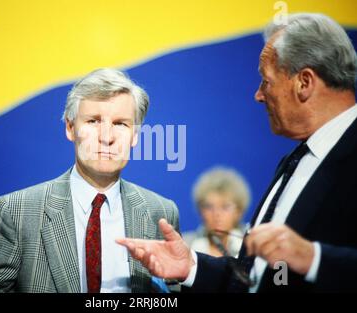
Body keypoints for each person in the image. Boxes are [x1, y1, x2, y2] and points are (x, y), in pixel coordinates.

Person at [117, 13, 357, 292]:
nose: (258, 95)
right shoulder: (295, 161)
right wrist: (191, 266)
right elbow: (253, 278)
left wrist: (313, 258)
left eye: (266, 81)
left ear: (304, 82)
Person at [0, 68, 179, 293]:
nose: (107, 137)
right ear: (70, 128)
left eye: (121, 124)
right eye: (93, 121)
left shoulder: (161, 212)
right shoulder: (17, 212)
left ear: (136, 136)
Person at [183, 167, 251, 258]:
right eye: (209, 207)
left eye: (225, 207)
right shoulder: (185, 245)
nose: (217, 214)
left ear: (239, 212)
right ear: (200, 211)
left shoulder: (251, 247)